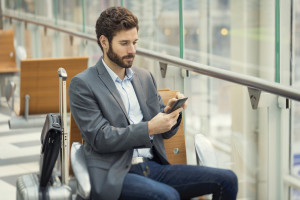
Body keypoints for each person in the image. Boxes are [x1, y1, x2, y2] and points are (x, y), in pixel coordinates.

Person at [69, 6, 238, 200]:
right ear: (104, 42)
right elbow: (100, 138)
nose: (132, 50)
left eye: (134, 42)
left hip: (154, 167)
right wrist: (149, 128)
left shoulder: (144, 77)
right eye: (124, 43)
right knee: (168, 196)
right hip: (116, 174)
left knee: (228, 179)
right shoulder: (83, 84)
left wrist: (171, 115)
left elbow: (164, 131)